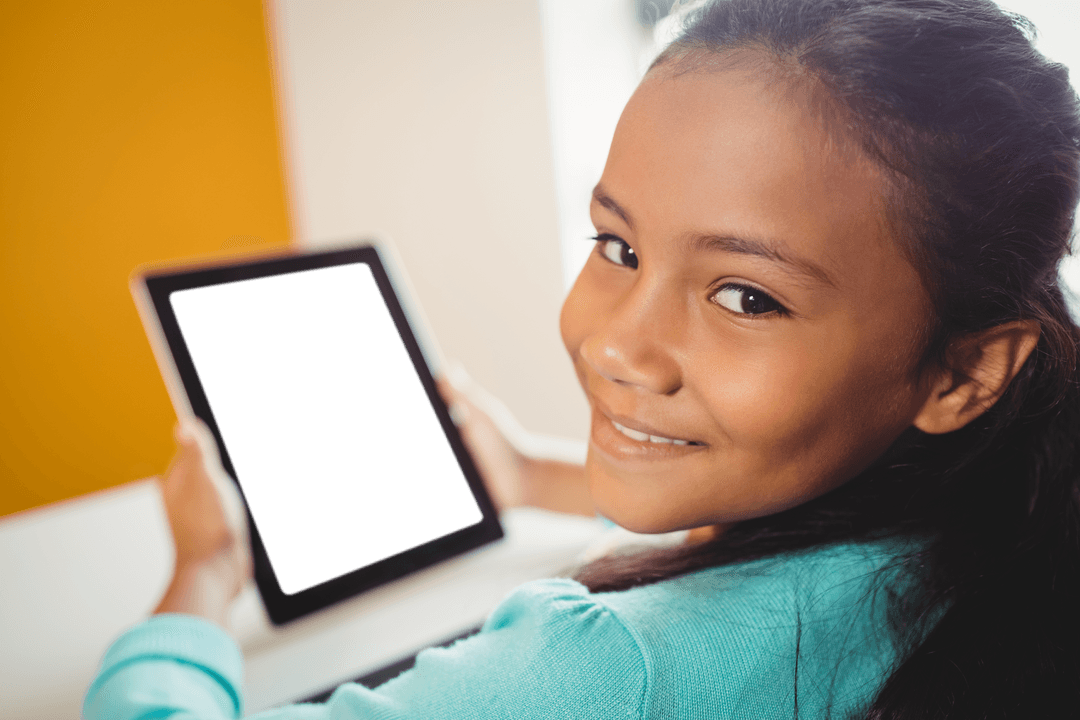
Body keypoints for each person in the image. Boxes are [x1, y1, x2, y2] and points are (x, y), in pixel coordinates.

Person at [83, 0, 1080, 716]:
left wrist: (197, 585)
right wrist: (531, 478)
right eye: (618, 245)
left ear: (965, 374)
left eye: (746, 297)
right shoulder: (986, 517)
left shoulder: (599, 671)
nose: (612, 344)